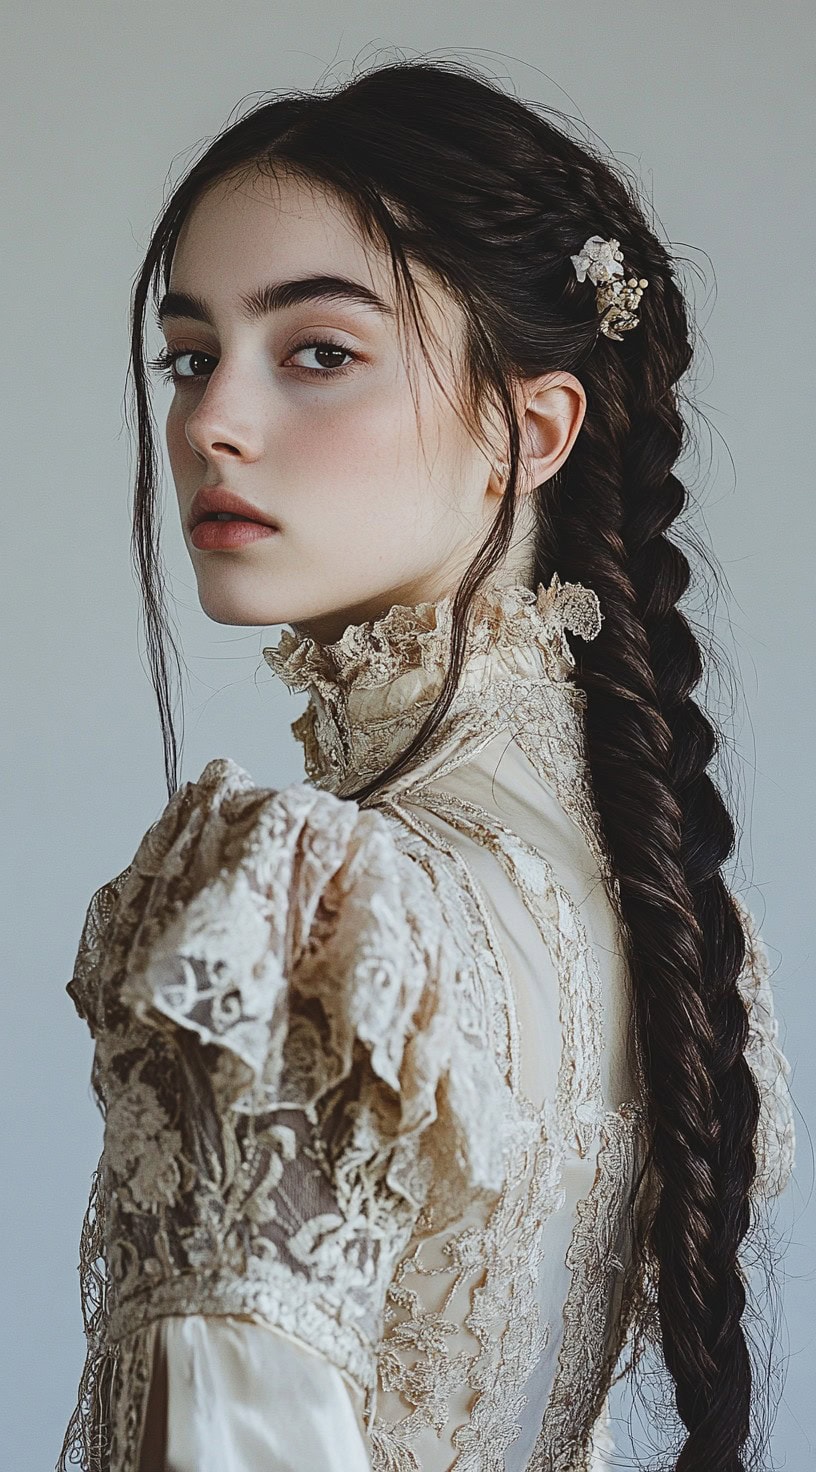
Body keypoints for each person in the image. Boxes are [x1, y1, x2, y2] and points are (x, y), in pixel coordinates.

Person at [57, 58, 795, 1472]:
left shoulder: (308, 900)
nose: (211, 421)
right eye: (192, 353)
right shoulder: (671, 918)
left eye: (317, 351)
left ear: (531, 432)